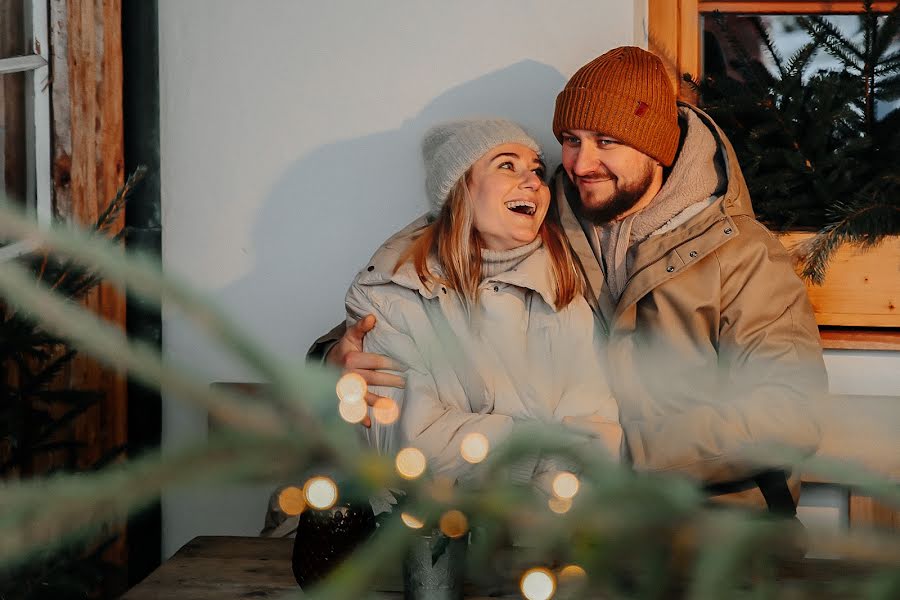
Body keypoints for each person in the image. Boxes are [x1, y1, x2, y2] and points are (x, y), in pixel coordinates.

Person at [314, 47, 828, 512]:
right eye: (570, 140)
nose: (581, 163)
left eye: (607, 141)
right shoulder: (541, 215)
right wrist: (331, 357)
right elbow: (427, 260)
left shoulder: (740, 255)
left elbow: (786, 413)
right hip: (577, 518)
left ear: (657, 148)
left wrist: (629, 451)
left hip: (712, 519)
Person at [345, 118, 622, 489]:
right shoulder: (391, 294)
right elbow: (411, 444)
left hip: (551, 531)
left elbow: (596, 439)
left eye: (537, 170)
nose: (533, 182)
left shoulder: (566, 290)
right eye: (507, 165)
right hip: (428, 534)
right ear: (460, 189)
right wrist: (545, 446)